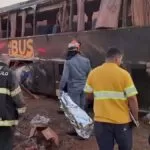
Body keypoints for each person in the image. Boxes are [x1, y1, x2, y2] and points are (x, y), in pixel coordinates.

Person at [84, 48, 139, 150]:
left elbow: (88, 95)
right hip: (121, 122)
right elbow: (132, 99)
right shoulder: (124, 74)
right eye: (121, 59)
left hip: (101, 121)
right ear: (117, 59)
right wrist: (135, 118)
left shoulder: (93, 73)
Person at [0, 54, 26, 150]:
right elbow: (17, 96)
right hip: (5, 118)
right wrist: (22, 111)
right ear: (8, 62)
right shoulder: (9, 73)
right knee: (5, 143)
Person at [59, 40, 91, 110]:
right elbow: (90, 74)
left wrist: (60, 88)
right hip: (84, 87)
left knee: (75, 108)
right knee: (82, 107)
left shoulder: (68, 62)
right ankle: (83, 120)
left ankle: (78, 121)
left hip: (74, 88)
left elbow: (64, 78)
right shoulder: (86, 60)